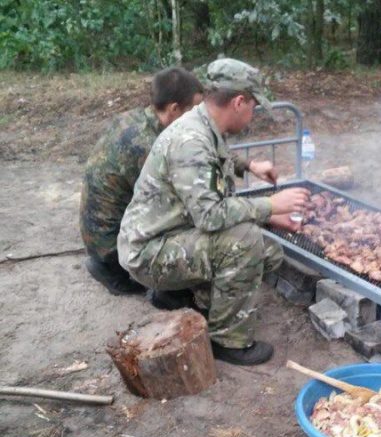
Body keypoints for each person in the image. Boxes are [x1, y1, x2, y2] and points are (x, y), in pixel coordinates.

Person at [117, 58, 310, 366]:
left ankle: (185, 297)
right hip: (149, 252)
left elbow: (214, 167)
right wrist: (270, 205)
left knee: (268, 252)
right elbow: (210, 216)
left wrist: (254, 177)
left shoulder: (202, 122)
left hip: (172, 233)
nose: (252, 115)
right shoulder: (190, 141)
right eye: (253, 107)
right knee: (245, 242)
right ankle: (228, 340)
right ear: (238, 102)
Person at [80, 67, 204, 296]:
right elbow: (182, 197)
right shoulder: (147, 146)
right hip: (112, 243)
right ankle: (128, 278)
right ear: (174, 109)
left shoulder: (133, 118)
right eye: (194, 110)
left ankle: (109, 264)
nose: (198, 117)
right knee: (183, 220)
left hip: (98, 232)